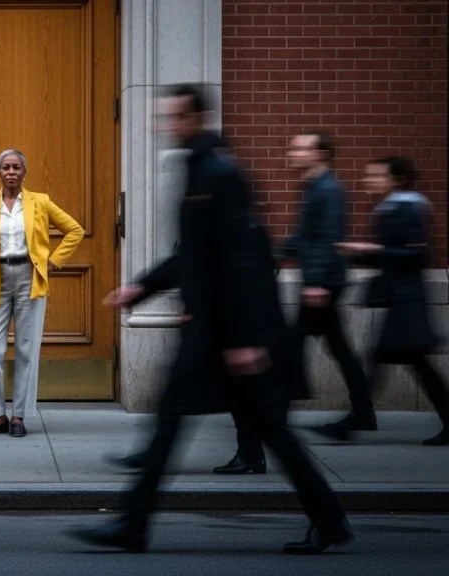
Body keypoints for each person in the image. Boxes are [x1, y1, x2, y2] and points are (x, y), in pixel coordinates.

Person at [70, 84, 351, 554]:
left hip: (229, 335)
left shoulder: (220, 171)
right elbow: (195, 255)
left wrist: (245, 340)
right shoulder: (200, 168)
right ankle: (134, 524)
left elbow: (244, 258)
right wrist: (144, 285)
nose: (167, 126)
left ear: (198, 117)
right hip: (213, 331)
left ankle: (327, 517)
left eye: (175, 117)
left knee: (262, 429)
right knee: (181, 421)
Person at [0, 149, 83, 438]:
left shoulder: (40, 202)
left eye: (16, 167)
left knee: (26, 349)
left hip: (29, 278)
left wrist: (54, 261)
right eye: (5, 167)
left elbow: (74, 230)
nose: (11, 172)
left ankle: (19, 416)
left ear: (24, 172)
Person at [337, 157, 448, 446]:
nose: (368, 180)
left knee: (389, 361)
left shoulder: (410, 207)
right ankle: (358, 416)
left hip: (407, 301)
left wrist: (373, 248)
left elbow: (416, 255)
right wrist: (361, 252)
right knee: (410, 364)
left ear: (397, 179)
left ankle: (358, 417)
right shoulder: (390, 207)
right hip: (400, 300)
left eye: (376, 175)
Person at [279, 131, 372, 444]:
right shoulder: (314, 187)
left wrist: (316, 283)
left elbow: (328, 238)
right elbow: (305, 237)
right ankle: (363, 411)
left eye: (301, 148)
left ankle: (274, 413)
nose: (293, 152)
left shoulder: (328, 189)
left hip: (323, 284)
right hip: (323, 282)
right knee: (339, 349)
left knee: (293, 346)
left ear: (320, 154)